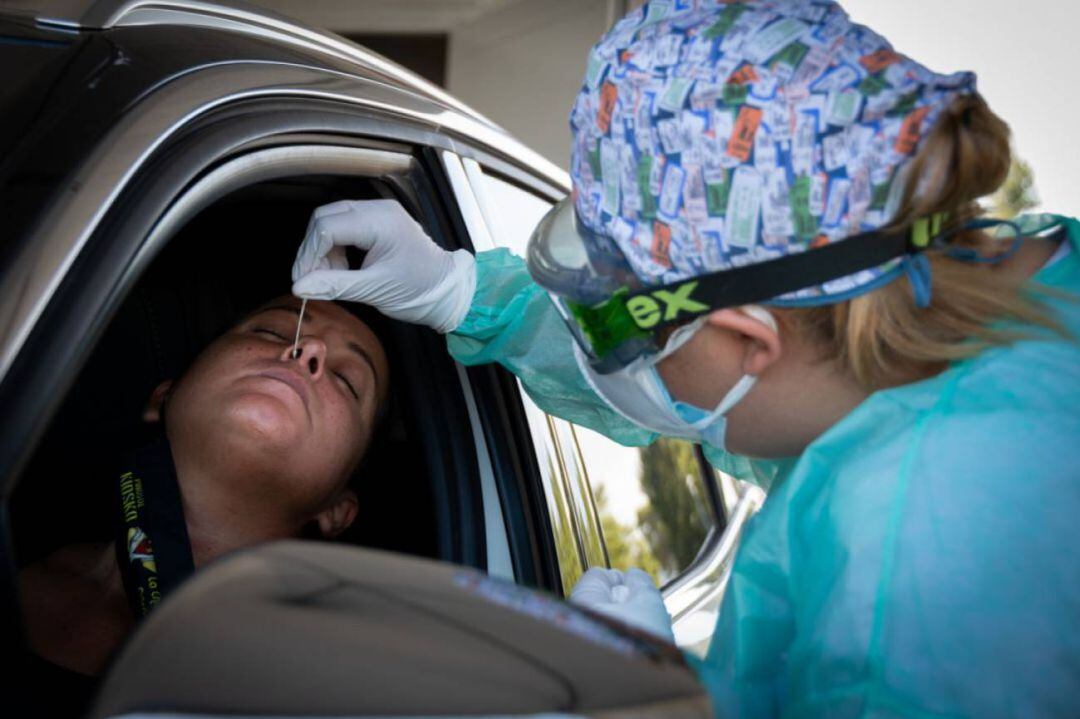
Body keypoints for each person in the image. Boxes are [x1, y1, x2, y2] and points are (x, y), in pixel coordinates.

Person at [291, 1, 1080, 715]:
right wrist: (461, 293)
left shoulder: (921, 566)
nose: (608, 358)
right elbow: (703, 336)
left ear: (753, 339)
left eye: (619, 329)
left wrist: (650, 704)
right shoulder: (946, 311)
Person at [16, 295, 389, 714]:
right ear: (165, 396)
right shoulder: (18, 531)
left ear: (337, 509)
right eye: (271, 332)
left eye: (347, 380)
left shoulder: (326, 691)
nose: (310, 349)